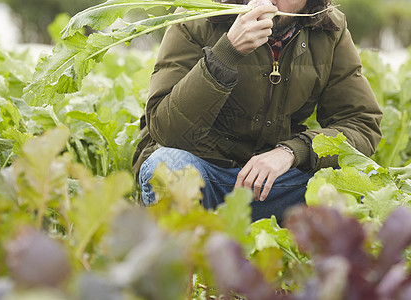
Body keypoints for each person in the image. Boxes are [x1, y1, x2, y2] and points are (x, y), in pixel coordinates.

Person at [132, 0, 382, 223]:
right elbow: (164, 129)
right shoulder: (196, 17)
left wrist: (292, 152)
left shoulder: (328, 27)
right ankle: (178, 263)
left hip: (272, 184)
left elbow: (361, 123)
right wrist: (227, 52)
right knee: (166, 167)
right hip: (202, 175)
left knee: (358, 182)